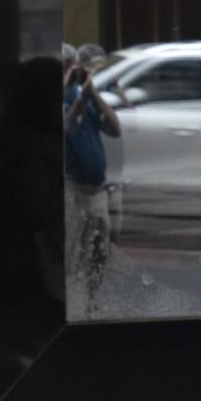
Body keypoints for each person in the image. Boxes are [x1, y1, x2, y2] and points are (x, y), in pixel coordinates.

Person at [62, 42, 121, 313]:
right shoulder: (63, 98)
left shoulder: (81, 93)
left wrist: (92, 93)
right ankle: (73, 306)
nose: (71, 73)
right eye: (67, 68)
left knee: (99, 252)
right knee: (74, 252)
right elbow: (68, 128)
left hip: (96, 189)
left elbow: (114, 128)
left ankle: (92, 302)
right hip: (73, 188)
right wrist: (79, 99)